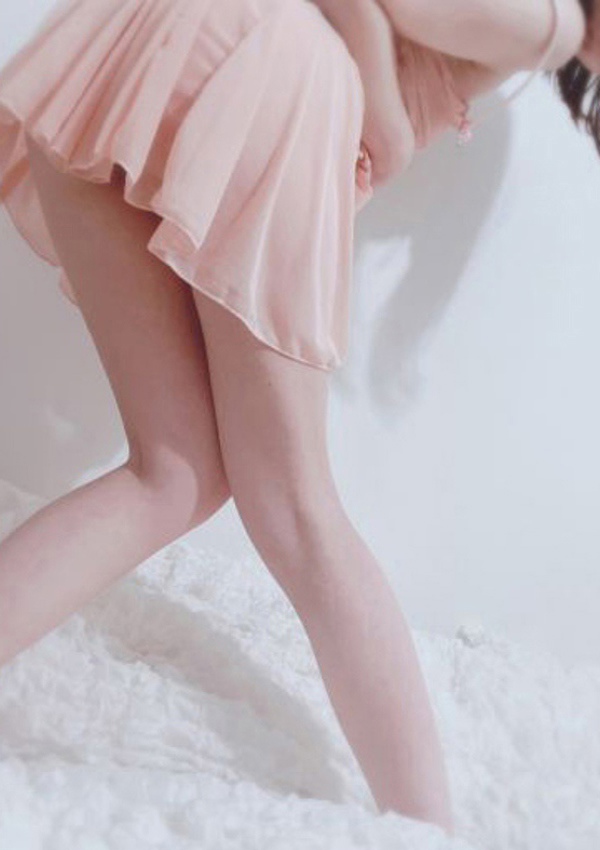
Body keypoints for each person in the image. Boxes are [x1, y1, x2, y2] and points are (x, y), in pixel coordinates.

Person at [0, 0, 597, 837]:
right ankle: (426, 827)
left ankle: (422, 822)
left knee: (173, 474)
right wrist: (385, 112)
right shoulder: (549, 22)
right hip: (266, 72)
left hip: (157, 38)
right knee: (297, 510)